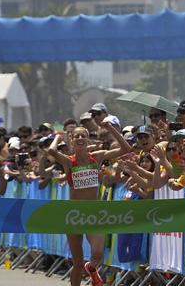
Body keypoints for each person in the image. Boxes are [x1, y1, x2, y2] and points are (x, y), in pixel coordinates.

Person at [48, 122, 132, 286]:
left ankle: (92, 268)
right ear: (71, 140)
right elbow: (51, 151)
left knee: (97, 253)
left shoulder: (97, 156)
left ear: (88, 140)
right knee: (77, 263)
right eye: (76, 136)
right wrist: (58, 136)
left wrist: (110, 129)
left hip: (93, 213)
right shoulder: (67, 162)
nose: (80, 138)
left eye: (83, 136)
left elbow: (126, 149)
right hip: (74, 215)